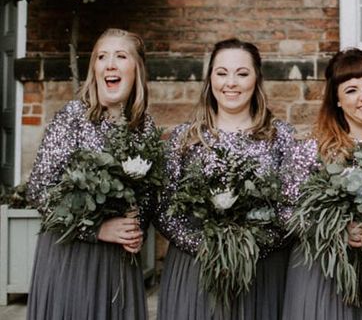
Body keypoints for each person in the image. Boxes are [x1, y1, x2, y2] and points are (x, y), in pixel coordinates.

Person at [155, 38, 314, 320]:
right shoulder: (185, 137)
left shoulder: (282, 137)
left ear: (256, 79)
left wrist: (246, 248)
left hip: (261, 273)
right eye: (222, 73)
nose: (231, 83)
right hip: (196, 268)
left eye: (242, 73)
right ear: (209, 79)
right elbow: (164, 208)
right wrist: (209, 247)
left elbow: (292, 210)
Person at [27, 28, 154, 320]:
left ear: (136, 68)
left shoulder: (144, 128)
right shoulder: (73, 117)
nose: (110, 64)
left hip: (119, 264)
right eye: (101, 57)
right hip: (72, 257)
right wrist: (96, 230)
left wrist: (137, 229)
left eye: (120, 56)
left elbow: (148, 194)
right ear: (94, 69)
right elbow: (39, 190)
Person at [282, 48, 362, 320]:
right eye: (351, 90)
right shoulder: (314, 148)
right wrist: (338, 230)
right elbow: (288, 213)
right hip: (323, 275)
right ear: (337, 100)